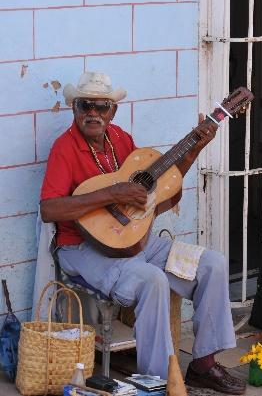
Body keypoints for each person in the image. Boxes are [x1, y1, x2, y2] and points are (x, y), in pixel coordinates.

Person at [39, 72, 246, 395]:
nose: (93, 113)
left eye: (101, 107)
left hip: (133, 242)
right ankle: (158, 381)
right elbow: (49, 210)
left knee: (213, 264)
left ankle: (203, 364)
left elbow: (159, 190)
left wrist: (194, 149)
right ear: (73, 108)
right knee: (152, 280)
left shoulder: (121, 140)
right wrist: (112, 194)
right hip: (80, 248)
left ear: (113, 111)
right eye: (85, 105)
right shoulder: (65, 148)